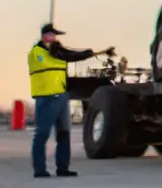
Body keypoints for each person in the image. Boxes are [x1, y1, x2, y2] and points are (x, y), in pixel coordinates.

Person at [28, 22, 109, 178]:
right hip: (46, 97)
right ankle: (39, 169)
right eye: (52, 35)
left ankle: (63, 167)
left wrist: (87, 53)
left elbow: (69, 55)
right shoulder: (37, 53)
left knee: (64, 133)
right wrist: (82, 53)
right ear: (44, 36)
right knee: (42, 133)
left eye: (55, 36)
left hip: (61, 96)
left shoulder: (56, 52)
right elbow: (65, 56)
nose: (55, 38)